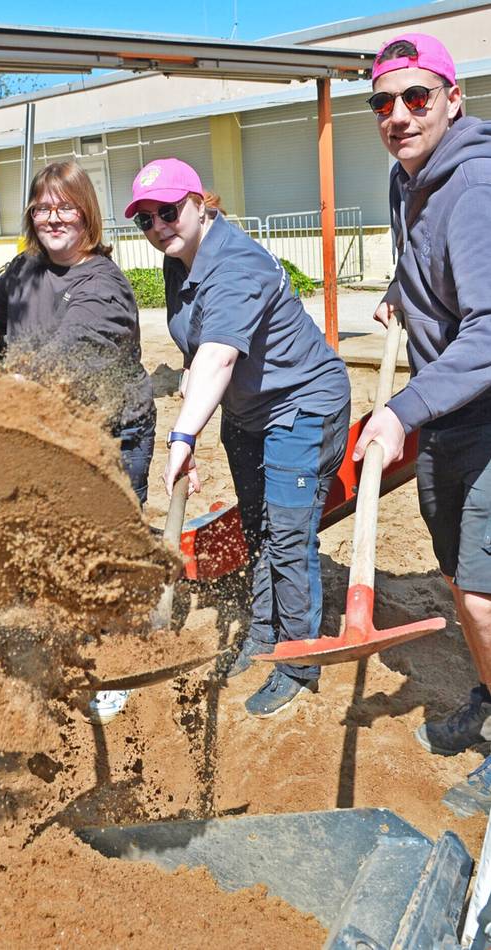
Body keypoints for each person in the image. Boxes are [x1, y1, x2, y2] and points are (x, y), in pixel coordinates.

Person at [127, 158, 351, 717]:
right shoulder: (179, 262)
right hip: (247, 410)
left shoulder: (237, 263)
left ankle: (298, 663)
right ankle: (263, 636)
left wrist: (180, 437)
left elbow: (222, 353)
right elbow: (196, 356)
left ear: (201, 203)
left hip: (302, 402)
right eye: (145, 219)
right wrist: (192, 437)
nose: (158, 226)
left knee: (288, 533)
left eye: (169, 211)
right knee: (256, 526)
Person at [0, 160, 155, 726]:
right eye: (42, 208)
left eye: (64, 207)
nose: (53, 218)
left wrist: (14, 387)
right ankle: (61, 650)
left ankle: (117, 667)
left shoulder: (103, 285)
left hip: (110, 435)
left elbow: (74, 348)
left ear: (86, 213)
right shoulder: (26, 267)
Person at [354, 34, 491, 817]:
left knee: (478, 595)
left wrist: (398, 409)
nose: (398, 115)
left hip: (482, 408)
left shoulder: (472, 184)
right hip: (448, 408)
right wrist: (401, 292)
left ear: (452, 98)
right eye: (383, 102)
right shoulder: (407, 178)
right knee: (460, 573)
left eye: (416, 97)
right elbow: (429, 267)